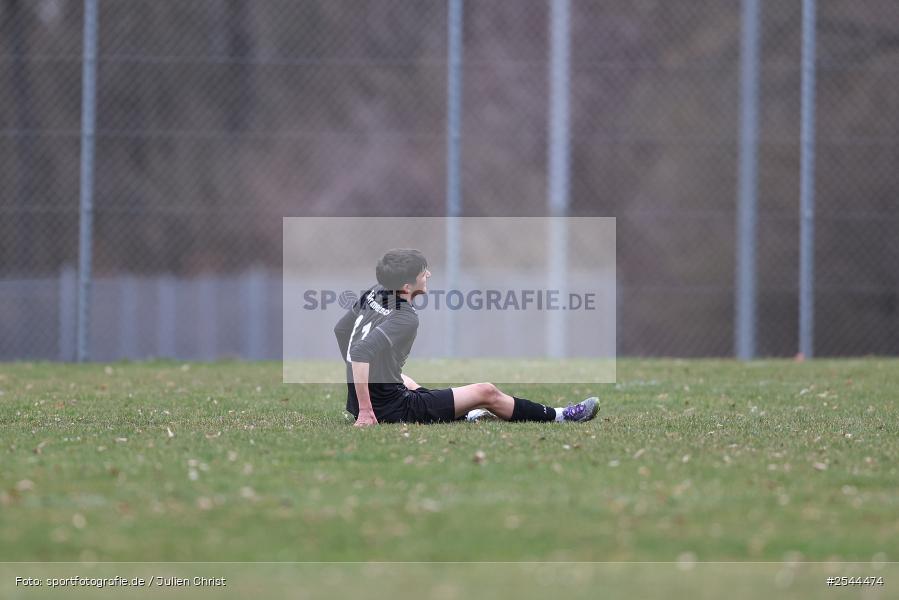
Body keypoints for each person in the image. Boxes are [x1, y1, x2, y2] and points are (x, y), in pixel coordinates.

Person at [334, 248, 599, 427]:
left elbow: (342, 331)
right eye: (422, 273)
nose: (428, 275)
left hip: (362, 400)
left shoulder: (375, 291)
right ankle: (562, 416)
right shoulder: (406, 316)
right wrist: (368, 411)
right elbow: (360, 352)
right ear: (406, 287)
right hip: (389, 409)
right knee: (487, 391)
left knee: (409, 381)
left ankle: (466, 413)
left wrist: (362, 390)